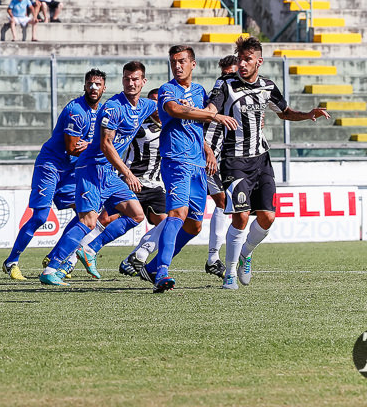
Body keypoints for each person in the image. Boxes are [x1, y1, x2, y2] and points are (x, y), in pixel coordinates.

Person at [210, 37, 329, 290]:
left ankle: (245, 253)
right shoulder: (225, 84)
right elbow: (212, 109)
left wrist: (307, 115)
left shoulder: (267, 86)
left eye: (247, 59)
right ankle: (229, 273)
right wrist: (210, 132)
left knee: (268, 217)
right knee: (241, 216)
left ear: (259, 62)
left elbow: (284, 112)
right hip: (234, 160)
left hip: (262, 159)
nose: (242, 64)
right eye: (240, 59)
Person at [39, 62, 156, 287]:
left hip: (109, 173)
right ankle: (52, 267)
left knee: (136, 214)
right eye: (126, 79)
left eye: (135, 79)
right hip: (91, 168)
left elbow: (167, 107)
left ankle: (90, 248)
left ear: (143, 82)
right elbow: (105, 144)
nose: (130, 83)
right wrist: (128, 173)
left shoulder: (144, 105)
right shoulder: (113, 106)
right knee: (88, 220)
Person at [138, 45, 237, 292]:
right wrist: (212, 116)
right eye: (173, 62)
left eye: (182, 61)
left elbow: (196, 124)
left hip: (198, 165)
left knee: (193, 226)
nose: (177, 65)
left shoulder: (199, 91)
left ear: (193, 63)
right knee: (178, 214)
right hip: (176, 161)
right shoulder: (167, 90)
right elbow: (176, 110)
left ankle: (149, 269)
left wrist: (208, 150)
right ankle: (162, 273)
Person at [2, 69, 106, 280]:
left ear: (104, 88)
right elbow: (71, 148)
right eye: (90, 84)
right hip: (50, 166)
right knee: (40, 217)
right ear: (84, 86)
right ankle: (11, 261)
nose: (94, 88)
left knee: (85, 215)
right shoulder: (75, 110)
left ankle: (53, 258)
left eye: (98, 84)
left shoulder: (102, 110)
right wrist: (94, 146)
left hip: (70, 171)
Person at [111, 89, 169, 277]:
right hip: (131, 183)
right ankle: (70, 260)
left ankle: (138, 258)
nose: (156, 106)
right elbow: (114, 143)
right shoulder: (139, 126)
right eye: (152, 102)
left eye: (159, 102)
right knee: (104, 220)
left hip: (155, 186)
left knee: (169, 225)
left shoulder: (170, 127)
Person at [203, 54, 238, 279]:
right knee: (223, 202)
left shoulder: (234, 102)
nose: (227, 80)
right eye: (224, 75)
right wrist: (208, 152)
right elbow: (199, 129)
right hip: (203, 159)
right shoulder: (213, 101)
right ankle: (213, 258)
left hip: (215, 160)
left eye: (232, 75)